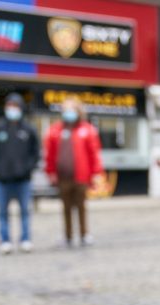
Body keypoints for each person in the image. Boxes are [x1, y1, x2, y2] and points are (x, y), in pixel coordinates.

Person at [44, 97, 103, 248]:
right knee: (66, 208)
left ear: (78, 111)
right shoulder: (55, 130)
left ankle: (84, 234)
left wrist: (96, 173)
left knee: (81, 206)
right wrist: (50, 171)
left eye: (72, 109)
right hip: (63, 177)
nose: (69, 113)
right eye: (66, 109)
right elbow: (49, 154)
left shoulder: (87, 130)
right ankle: (68, 236)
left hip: (81, 177)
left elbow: (94, 153)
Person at [0, 93, 40, 254]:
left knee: (24, 211)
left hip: (23, 180)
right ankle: (5, 240)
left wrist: (27, 168)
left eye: (15, 106)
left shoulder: (28, 130)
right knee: (2, 213)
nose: (12, 110)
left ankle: (25, 239)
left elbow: (35, 153)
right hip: (2, 180)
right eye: (9, 106)